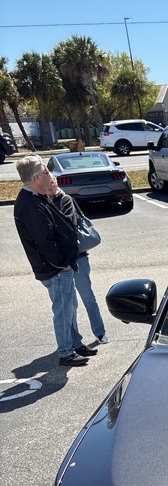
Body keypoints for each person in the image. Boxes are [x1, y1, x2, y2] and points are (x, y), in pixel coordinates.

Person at [13, 155, 95, 367]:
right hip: (55, 269)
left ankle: (75, 343)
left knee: (70, 307)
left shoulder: (36, 198)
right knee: (63, 311)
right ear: (36, 177)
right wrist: (62, 264)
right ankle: (66, 353)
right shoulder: (30, 203)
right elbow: (44, 241)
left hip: (60, 267)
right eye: (46, 172)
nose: (50, 175)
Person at [42, 176, 109, 348]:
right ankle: (74, 340)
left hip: (78, 259)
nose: (50, 186)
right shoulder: (41, 202)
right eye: (47, 183)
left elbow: (68, 224)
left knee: (88, 297)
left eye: (52, 182)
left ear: (56, 183)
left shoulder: (65, 200)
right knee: (70, 304)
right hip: (60, 262)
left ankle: (100, 332)